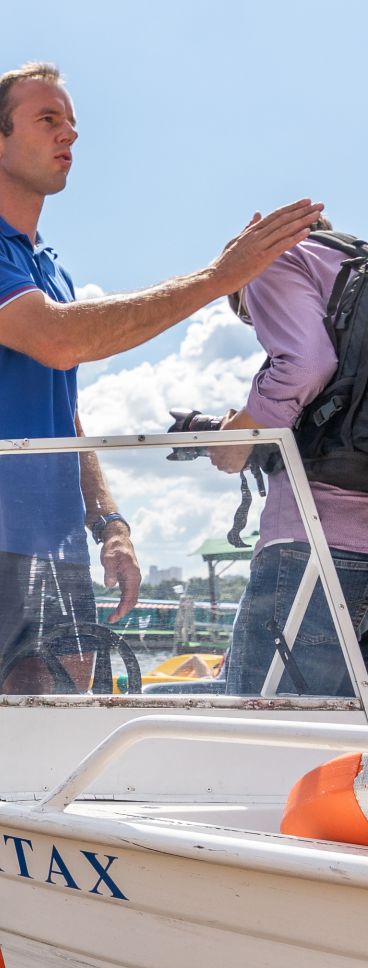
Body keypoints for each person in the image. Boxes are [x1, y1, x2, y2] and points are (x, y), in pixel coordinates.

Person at [0, 62, 321, 693]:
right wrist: (218, 279)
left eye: (71, 122)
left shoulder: (50, 268)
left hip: (57, 539)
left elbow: (64, 414)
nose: (68, 134)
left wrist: (110, 525)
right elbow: (60, 339)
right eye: (48, 120)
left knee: (66, 733)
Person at [211, 220, 368, 696]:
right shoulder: (348, 267)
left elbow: (304, 364)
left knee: (263, 735)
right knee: (346, 748)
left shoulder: (271, 258)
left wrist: (240, 434)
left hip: (314, 544)